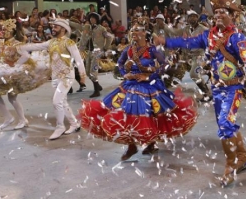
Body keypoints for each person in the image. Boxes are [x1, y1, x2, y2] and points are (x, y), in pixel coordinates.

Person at [155, 0, 246, 187]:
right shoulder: (208, 36)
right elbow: (188, 42)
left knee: (224, 124)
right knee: (228, 124)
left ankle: (230, 166)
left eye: (224, 12)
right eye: (217, 12)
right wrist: (167, 42)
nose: (219, 15)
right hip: (217, 88)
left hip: (233, 88)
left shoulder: (238, 38)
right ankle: (243, 157)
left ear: (233, 16)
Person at [78, 20, 198, 160]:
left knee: (152, 114)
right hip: (131, 84)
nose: (133, 33)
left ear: (144, 33)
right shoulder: (129, 49)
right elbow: (120, 64)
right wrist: (125, 74)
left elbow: (165, 65)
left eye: (137, 30)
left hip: (150, 85)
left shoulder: (152, 49)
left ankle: (151, 144)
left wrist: (149, 77)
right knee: (129, 113)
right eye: (132, 30)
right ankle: (132, 145)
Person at [16, 18, 87, 140]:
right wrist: (21, 47)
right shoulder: (51, 42)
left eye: (56, 27)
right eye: (53, 27)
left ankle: (60, 127)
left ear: (63, 29)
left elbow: (78, 59)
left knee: (56, 101)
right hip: (55, 77)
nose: (53, 29)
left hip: (66, 77)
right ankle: (74, 123)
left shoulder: (69, 43)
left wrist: (82, 75)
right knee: (62, 102)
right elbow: (36, 46)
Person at [0, 20, 50, 130]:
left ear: (12, 31)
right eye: (2, 30)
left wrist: (16, 64)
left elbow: (26, 56)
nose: (3, 32)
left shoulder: (17, 44)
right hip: (0, 69)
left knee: (12, 96)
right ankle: (8, 118)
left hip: (11, 72)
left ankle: (22, 119)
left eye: (6, 30)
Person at [80, 12, 114, 98]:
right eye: (90, 18)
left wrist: (105, 47)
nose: (92, 19)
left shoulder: (102, 28)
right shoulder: (88, 28)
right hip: (89, 51)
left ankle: (96, 91)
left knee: (93, 71)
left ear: (97, 19)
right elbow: (78, 26)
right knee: (88, 72)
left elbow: (109, 37)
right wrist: (67, 21)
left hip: (98, 52)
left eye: (93, 18)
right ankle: (98, 86)